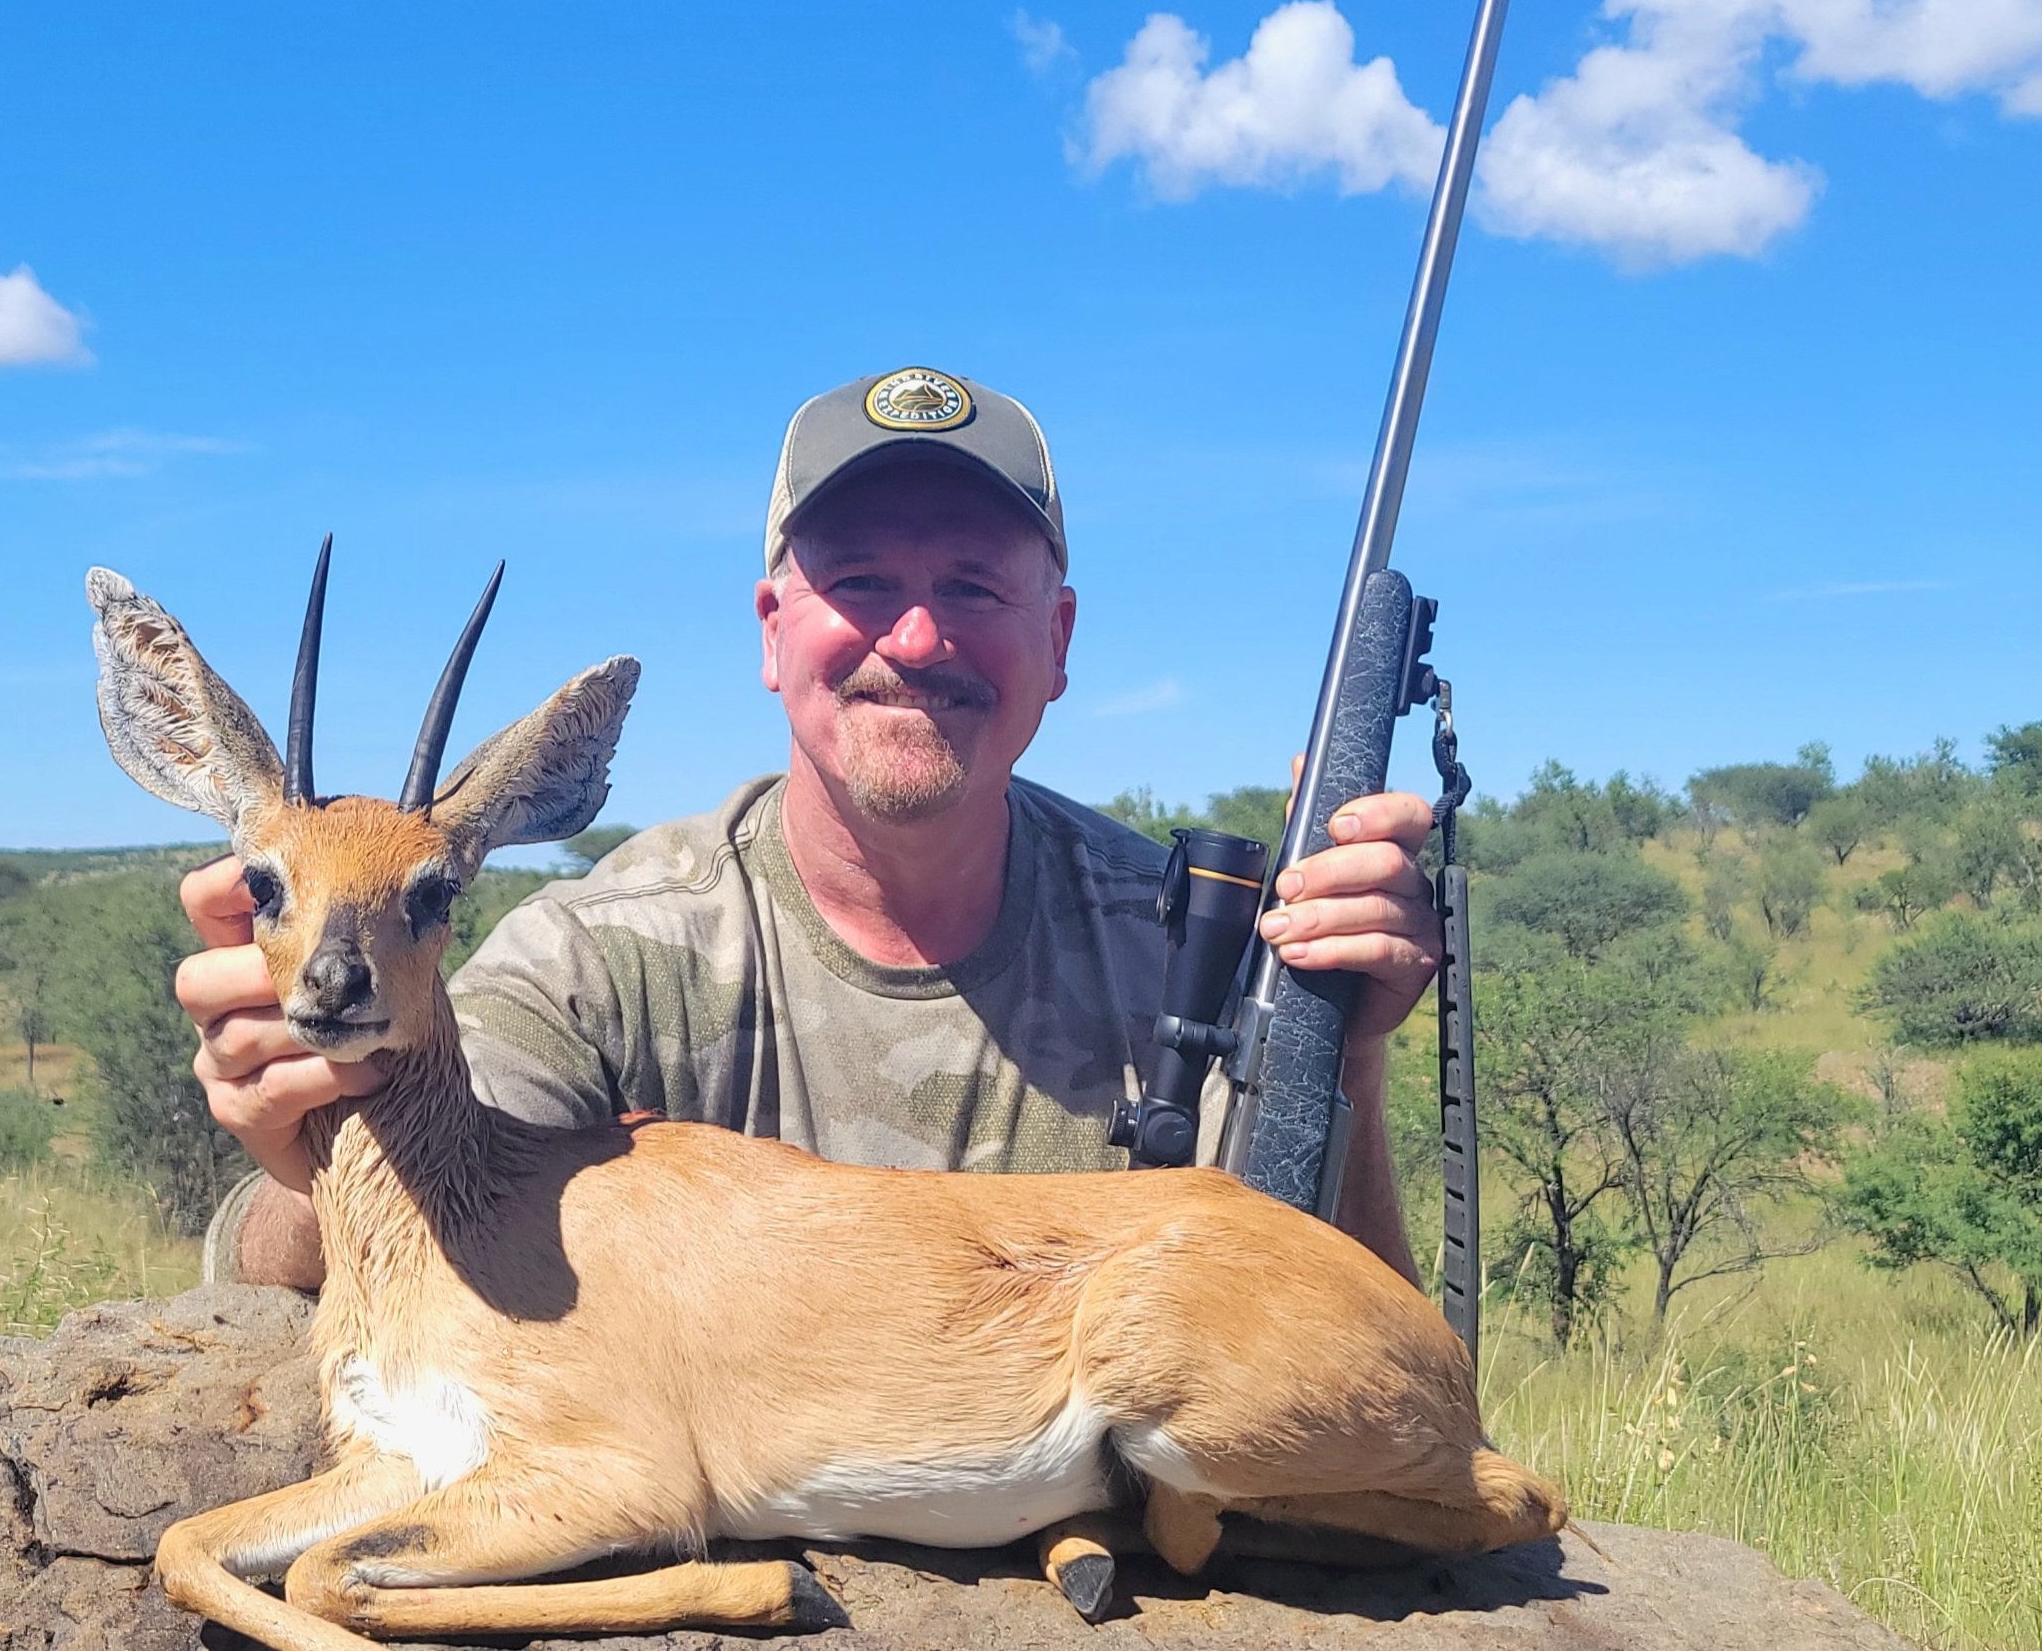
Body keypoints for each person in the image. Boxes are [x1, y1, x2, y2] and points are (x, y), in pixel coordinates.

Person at [176, 367, 1444, 1291]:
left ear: (1055, 642)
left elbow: (1359, 1379)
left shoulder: (1194, 951)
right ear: (772, 629)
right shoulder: (605, 956)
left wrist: (1346, 1047)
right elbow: (266, 1262)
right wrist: (314, 1136)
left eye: (970, 586)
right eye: (860, 585)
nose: (913, 636)